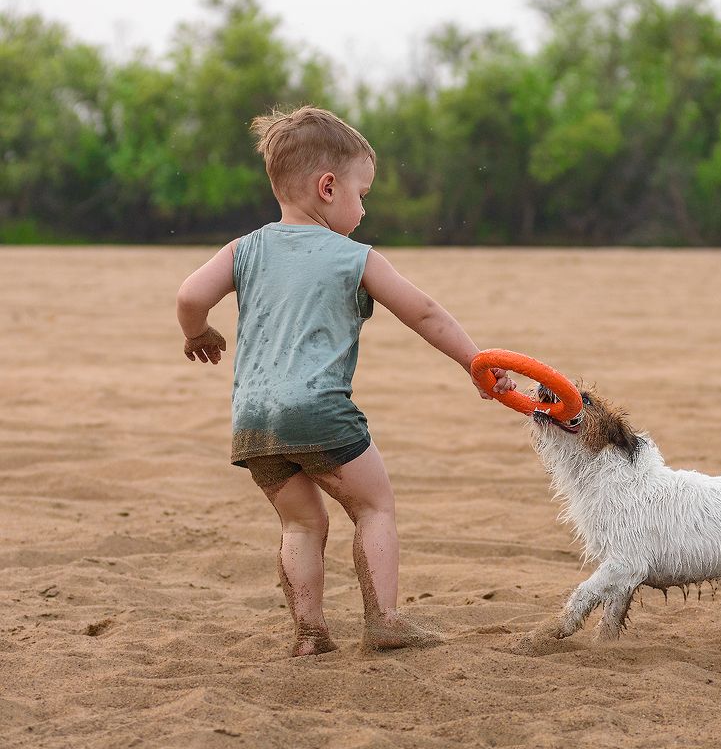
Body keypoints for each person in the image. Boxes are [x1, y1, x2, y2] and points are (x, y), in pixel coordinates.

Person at [176, 106, 514, 656]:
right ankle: (384, 621)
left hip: (254, 420)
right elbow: (424, 313)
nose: (365, 206)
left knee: (302, 525)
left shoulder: (245, 248)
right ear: (328, 187)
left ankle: (310, 635)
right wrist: (474, 362)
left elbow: (190, 295)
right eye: (363, 192)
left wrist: (198, 334)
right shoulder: (353, 257)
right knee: (374, 507)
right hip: (319, 413)